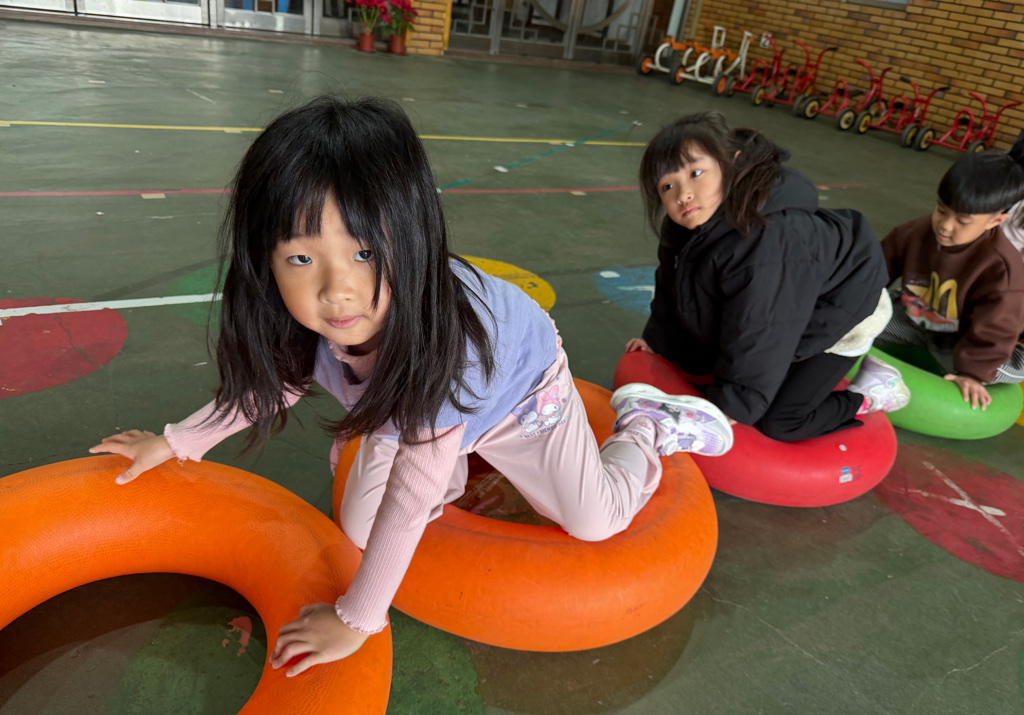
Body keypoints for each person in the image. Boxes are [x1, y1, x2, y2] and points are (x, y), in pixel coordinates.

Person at [89, 96, 733, 676]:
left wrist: (356, 620)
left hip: (518, 390)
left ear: (413, 238)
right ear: (266, 261)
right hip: (420, 404)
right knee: (359, 525)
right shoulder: (309, 319)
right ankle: (449, 444)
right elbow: (272, 387)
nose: (337, 290)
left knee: (595, 520)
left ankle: (646, 426)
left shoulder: (452, 351)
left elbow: (412, 491)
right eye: (301, 258)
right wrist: (177, 442)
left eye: (365, 252)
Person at [627, 111, 908, 443]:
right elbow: (670, 284)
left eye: (696, 173)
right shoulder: (685, 225)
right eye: (667, 186)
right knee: (710, 361)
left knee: (781, 421)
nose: (683, 194)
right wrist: (658, 341)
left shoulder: (770, 241)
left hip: (844, 306)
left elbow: (764, 327)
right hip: (792, 300)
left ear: (732, 162)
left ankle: (872, 394)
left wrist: (730, 407)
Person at [876, 149, 1024, 411]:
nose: (945, 225)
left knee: (997, 367)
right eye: (941, 210)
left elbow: (996, 330)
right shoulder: (913, 233)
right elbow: (874, 273)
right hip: (921, 319)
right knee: (859, 325)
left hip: (971, 339)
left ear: (996, 220)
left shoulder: (1001, 269)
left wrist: (972, 374)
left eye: (962, 221)